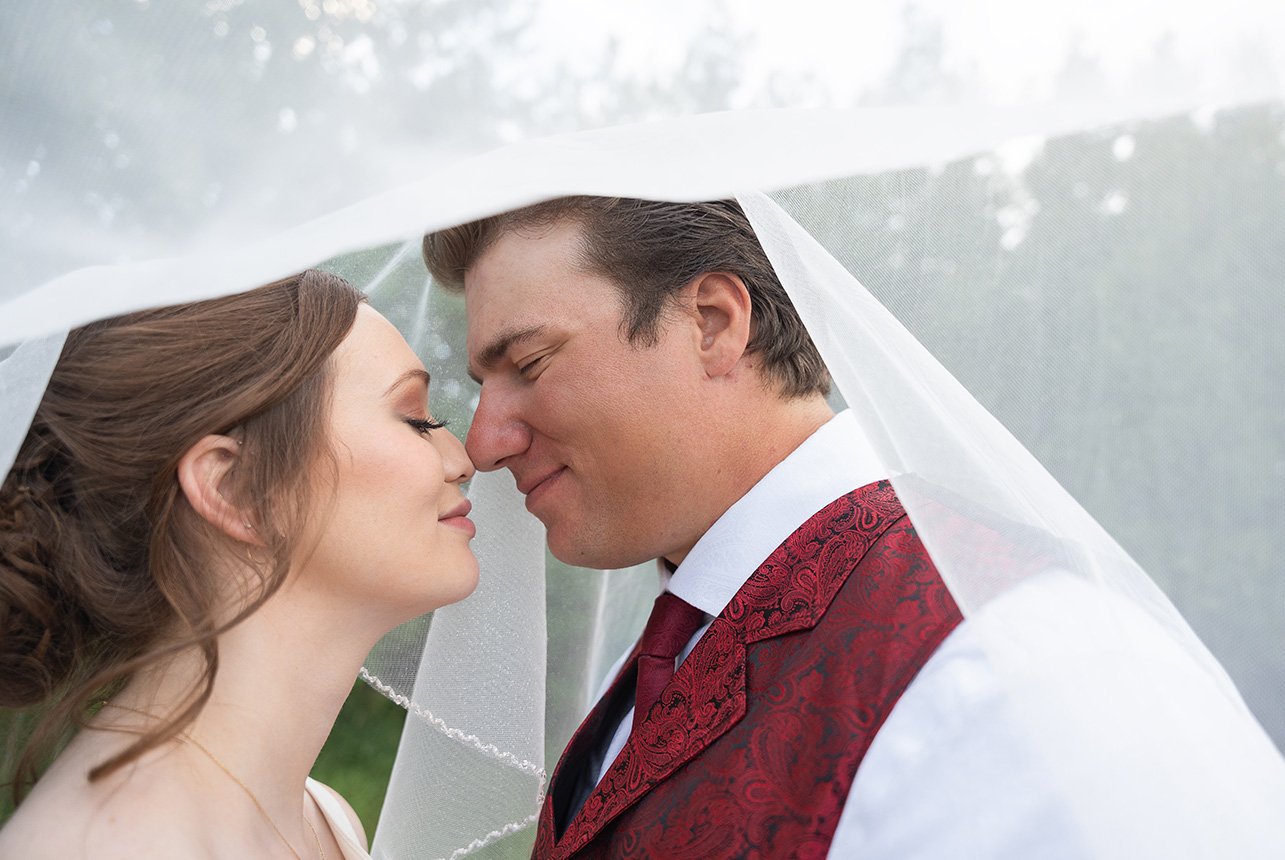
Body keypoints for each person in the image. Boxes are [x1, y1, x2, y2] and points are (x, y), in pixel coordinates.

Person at [423, 195, 1285, 859]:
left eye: (530, 363)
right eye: (483, 386)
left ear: (712, 323)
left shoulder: (1019, 665)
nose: (485, 442)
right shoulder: (653, 670)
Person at [0, 269, 478, 860]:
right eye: (416, 421)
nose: (462, 459)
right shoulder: (105, 845)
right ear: (236, 488)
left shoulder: (325, 821)